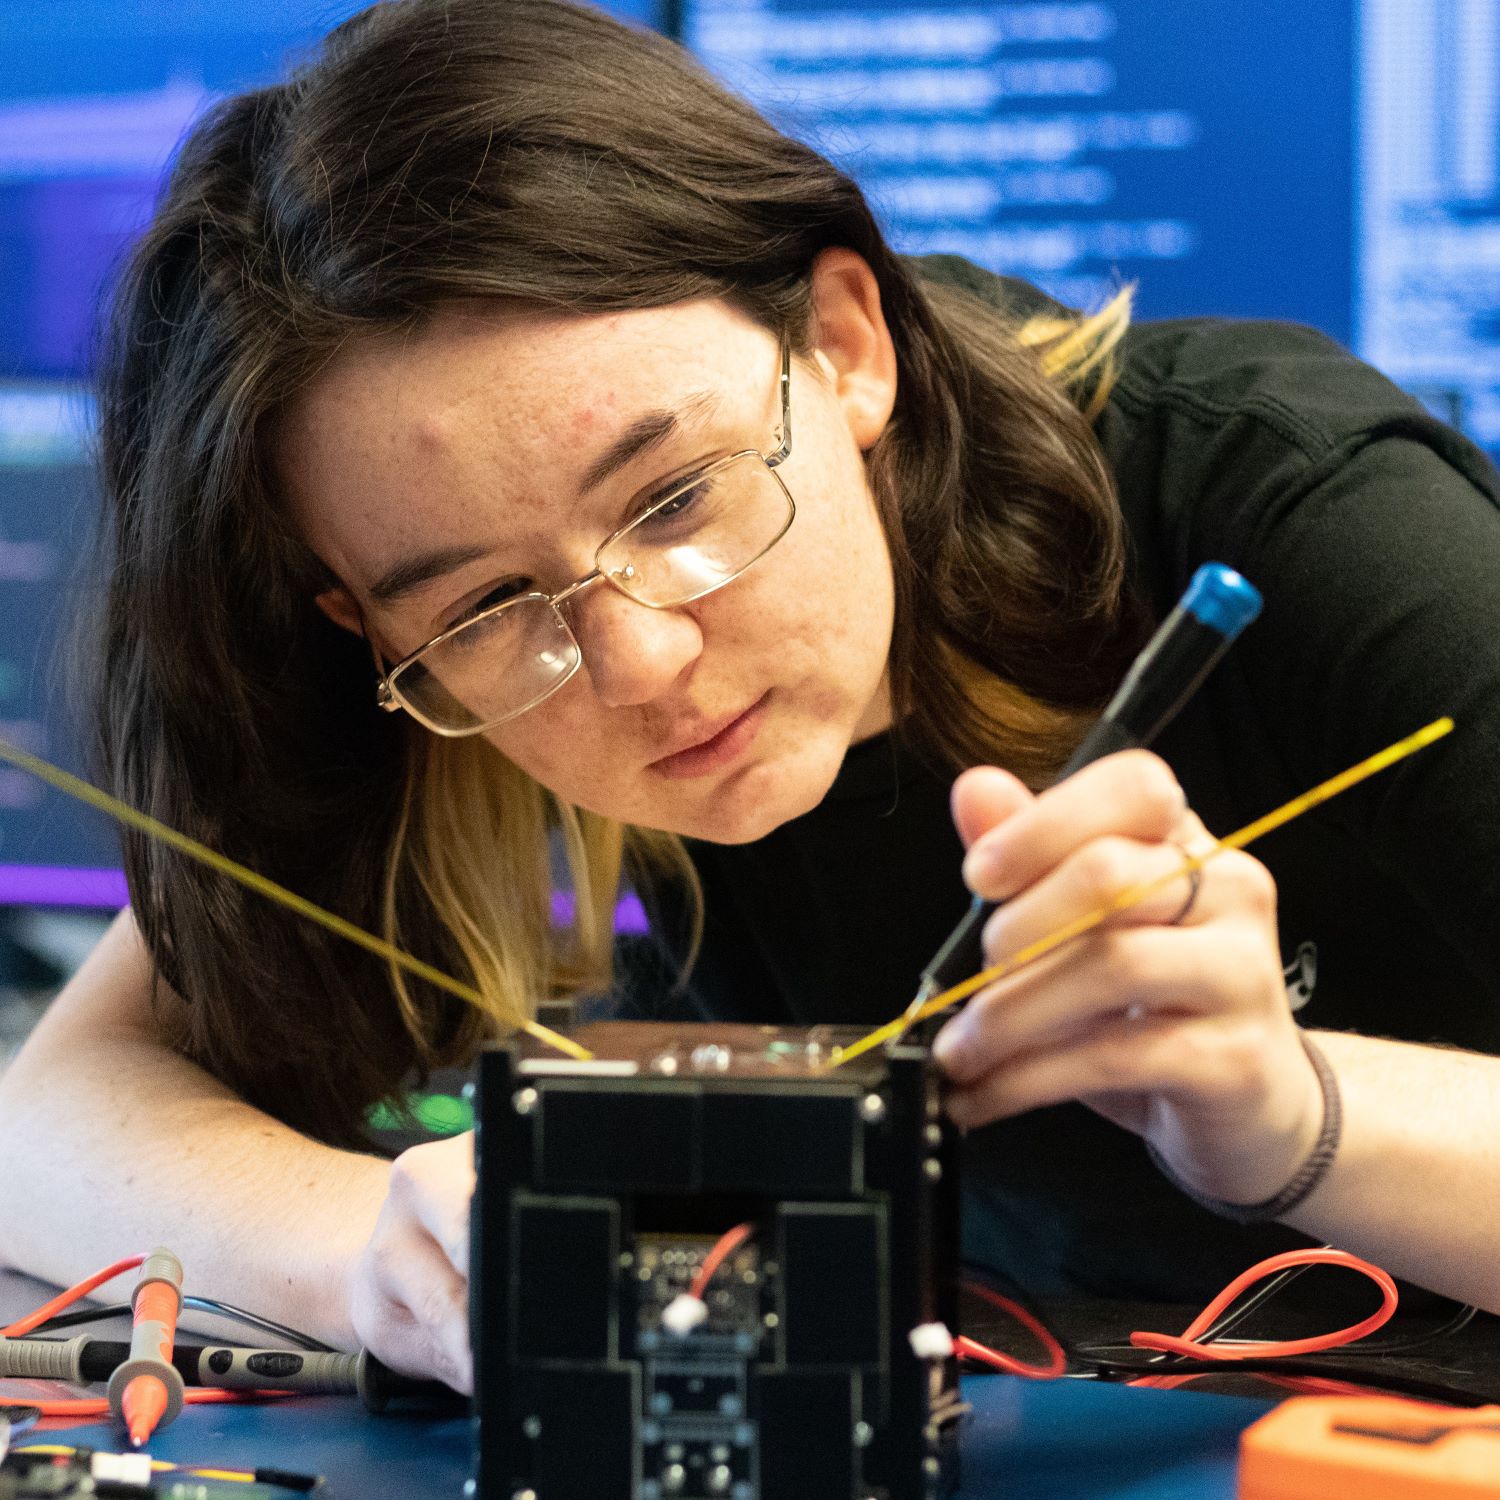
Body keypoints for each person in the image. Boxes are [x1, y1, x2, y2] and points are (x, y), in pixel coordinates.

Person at [0, 0, 1498, 1396]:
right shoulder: (428, 681)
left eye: (674, 500)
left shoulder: (1295, 512)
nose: (641, 665)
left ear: (846, 344)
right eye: (485, 607)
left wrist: (1297, 1118)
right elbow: (50, 1123)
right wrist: (391, 1255)